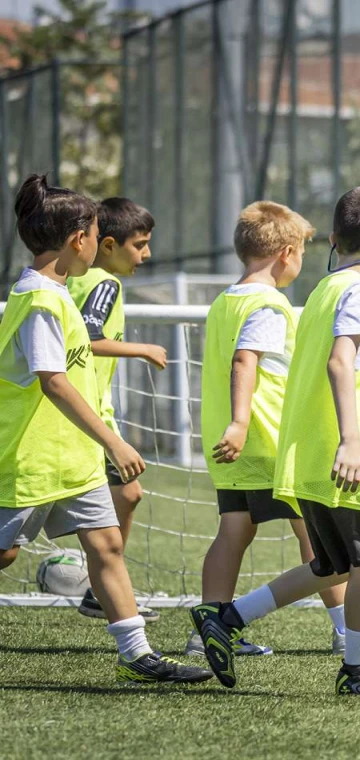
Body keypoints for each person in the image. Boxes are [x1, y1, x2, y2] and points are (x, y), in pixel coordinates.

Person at [192, 186, 360, 697]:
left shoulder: (322, 289)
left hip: (307, 453)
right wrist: (351, 441)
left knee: (331, 564)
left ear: (333, 240)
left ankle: (227, 619)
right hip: (338, 454)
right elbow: (340, 363)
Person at [0, 174, 210, 684]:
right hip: (30, 459)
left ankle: (137, 655)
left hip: (72, 458)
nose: (98, 244)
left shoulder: (56, 294)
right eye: (97, 235)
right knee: (5, 554)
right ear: (80, 240)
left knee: (107, 546)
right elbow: (54, 382)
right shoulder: (41, 302)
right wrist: (114, 441)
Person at [66, 197, 166, 622]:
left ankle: (101, 588)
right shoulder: (105, 283)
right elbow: (90, 338)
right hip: (87, 413)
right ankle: (102, 588)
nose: (146, 254)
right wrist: (142, 348)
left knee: (128, 492)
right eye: (139, 245)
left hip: (73, 411)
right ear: (107, 245)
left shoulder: (75, 279)